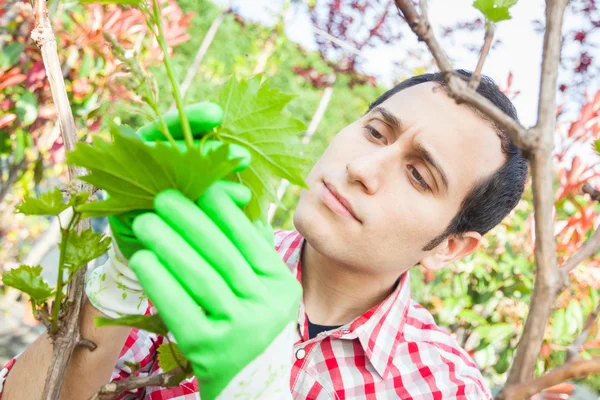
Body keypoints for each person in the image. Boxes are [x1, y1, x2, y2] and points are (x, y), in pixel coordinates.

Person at [0, 70, 528, 399]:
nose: (365, 166)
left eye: (419, 175)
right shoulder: (207, 256)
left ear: (450, 247)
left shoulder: (442, 388)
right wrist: (115, 287)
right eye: (374, 131)